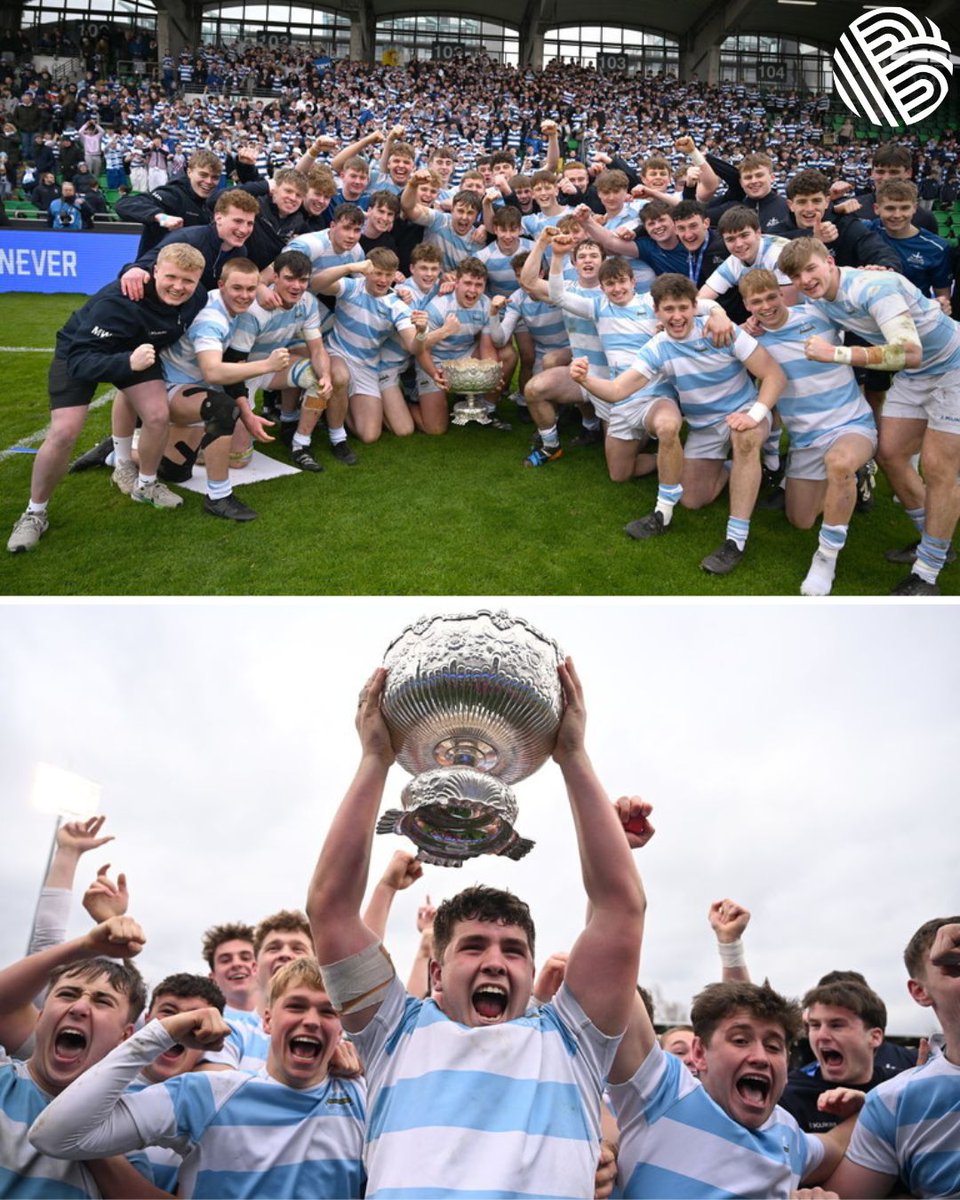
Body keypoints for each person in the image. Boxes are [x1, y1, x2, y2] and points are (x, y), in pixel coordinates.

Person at [306, 659, 646, 1198]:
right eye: (473, 947)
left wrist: (573, 756)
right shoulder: (392, 1032)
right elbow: (331, 910)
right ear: (437, 973)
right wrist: (375, 760)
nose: (494, 962)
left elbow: (620, 908)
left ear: (531, 971)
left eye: (513, 950)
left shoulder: (573, 1040)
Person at [29, 957, 366, 1199]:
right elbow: (55, 1138)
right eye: (296, 1006)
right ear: (267, 1021)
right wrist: (160, 1034)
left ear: (341, 1027)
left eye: (328, 1011)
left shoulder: (364, 1097)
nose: (311, 1021)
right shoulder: (205, 1094)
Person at [778, 236, 960, 596]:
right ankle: (933, 539)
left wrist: (838, 354)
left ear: (829, 262)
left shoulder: (874, 287)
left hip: (952, 365)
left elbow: (910, 353)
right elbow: (790, 318)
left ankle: (927, 573)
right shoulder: (819, 298)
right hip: (916, 375)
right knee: (890, 455)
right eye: (797, 276)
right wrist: (742, 322)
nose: (806, 281)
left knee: (939, 468)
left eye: (811, 269)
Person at [571, 272, 784, 575]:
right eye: (668, 309)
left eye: (684, 307)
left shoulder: (722, 331)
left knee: (745, 439)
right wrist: (585, 379)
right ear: (656, 311)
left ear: (695, 306)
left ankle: (735, 541)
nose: (677, 316)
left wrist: (755, 414)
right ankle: (732, 467)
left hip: (743, 410)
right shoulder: (657, 347)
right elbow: (618, 390)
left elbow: (774, 374)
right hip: (704, 427)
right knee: (692, 499)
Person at [7, 242, 207, 554]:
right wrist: (128, 363)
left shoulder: (199, 297)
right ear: (155, 271)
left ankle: (146, 485)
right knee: (64, 432)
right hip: (82, 354)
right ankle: (35, 513)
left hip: (138, 353)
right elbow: (80, 361)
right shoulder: (118, 301)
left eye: (188, 281)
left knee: (157, 415)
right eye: (171, 277)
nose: (179, 287)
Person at [738, 268, 876, 596]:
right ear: (746, 305)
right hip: (806, 440)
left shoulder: (818, 313)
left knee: (839, 463)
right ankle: (854, 479)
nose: (766, 306)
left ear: (782, 293)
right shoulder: (752, 341)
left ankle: (825, 559)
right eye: (756, 302)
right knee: (800, 519)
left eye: (771, 297)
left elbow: (867, 313)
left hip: (851, 424)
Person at [0, 916, 149, 1197]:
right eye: (68, 994)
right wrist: (85, 946)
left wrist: (82, 1127)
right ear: (41, 1017)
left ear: (125, 1037)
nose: (79, 1007)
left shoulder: (124, 1136)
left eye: (102, 1001)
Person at [824, 917, 960, 1198]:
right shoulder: (892, 1102)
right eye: (957, 967)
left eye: (837, 1024)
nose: (823, 1035)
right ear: (920, 991)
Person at [780, 979, 902, 1134]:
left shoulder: (899, 1089)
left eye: (836, 1025)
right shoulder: (789, 1095)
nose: (822, 1036)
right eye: (815, 1025)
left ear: (875, 1037)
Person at [116, 148, 221, 255]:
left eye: (215, 177)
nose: (209, 181)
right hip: (157, 263)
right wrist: (162, 218)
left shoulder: (211, 202)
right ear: (189, 172)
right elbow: (124, 204)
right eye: (203, 175)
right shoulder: (173, 194)